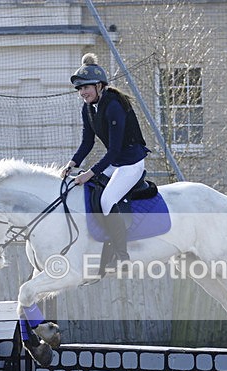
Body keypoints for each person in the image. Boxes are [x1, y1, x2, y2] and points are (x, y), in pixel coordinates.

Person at [59, 53, 149, 266]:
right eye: (79, 89)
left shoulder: (114, 105)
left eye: (86, 88)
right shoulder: (88, 108)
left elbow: (115, 151)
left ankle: (122, 255)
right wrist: (72, 164)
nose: (82, 92)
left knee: (107, 200)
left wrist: (89, 173)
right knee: (84, 189)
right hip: (116, 162)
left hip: (131, 163)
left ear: (99, 86)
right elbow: (87, 143)